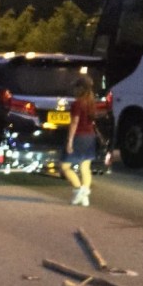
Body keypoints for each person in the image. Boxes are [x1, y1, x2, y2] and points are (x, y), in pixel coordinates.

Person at [60, 76, 100, 206]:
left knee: (65, 166)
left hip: (79, 137)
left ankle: (78, 190)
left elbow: (74, 122)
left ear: (80, 88)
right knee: (85, 167)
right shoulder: (92, 102)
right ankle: (85, 194)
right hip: (90, 137)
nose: (74, 90)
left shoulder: (77, 104)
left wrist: (70, 141)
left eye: (76, 87)